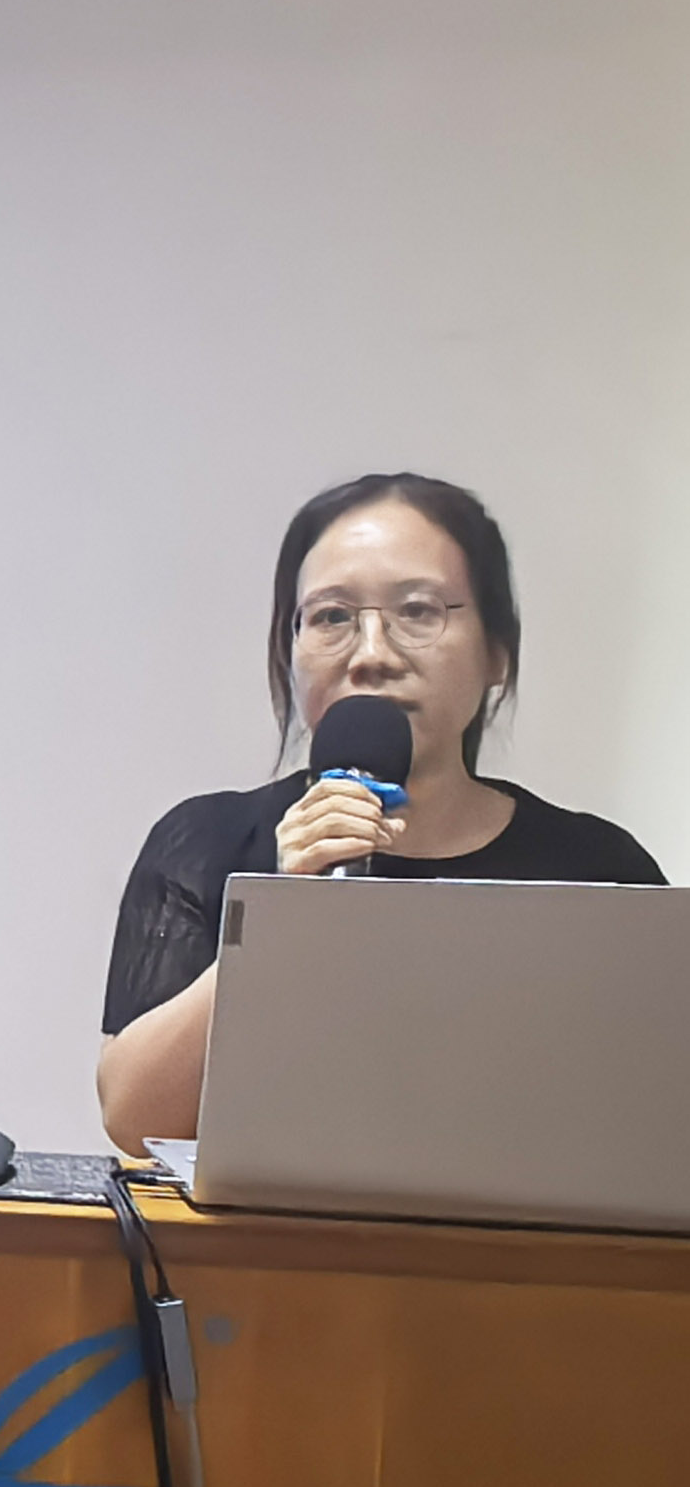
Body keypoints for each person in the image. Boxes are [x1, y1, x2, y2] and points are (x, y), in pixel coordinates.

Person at [95, 474, 664, 1154]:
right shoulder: (206, 843)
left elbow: (657, 1121)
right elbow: (134, 1119)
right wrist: (282, 911)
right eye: (332, 618)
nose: (372, 655)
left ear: (497, 652)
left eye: (418, 611)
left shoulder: (599, 869)